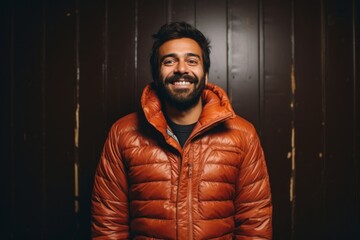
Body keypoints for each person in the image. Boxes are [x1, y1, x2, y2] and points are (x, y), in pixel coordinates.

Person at [91, 21, 272, 239]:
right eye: (169, 61)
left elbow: (255, 221)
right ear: (157, 75)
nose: (181, 69)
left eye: (192, 60)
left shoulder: (242, 134)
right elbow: (108, 223)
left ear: (205, 74)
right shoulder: (124, 133)